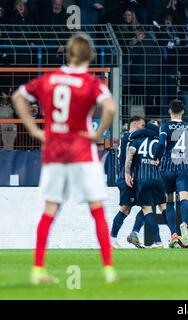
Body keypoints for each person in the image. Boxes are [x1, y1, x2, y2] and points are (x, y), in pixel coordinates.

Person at [12, 33, 118, 284]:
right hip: (82, 151)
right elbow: (111, 108)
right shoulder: (92, 83)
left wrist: (35, 130)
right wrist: (97, 133)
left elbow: (18, 96)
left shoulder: (49, 79)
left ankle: (38, 269)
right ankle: (108, 269)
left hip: (55, 151)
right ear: (90, 56)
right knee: (97, 209)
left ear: (68, 54)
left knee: (50, 209)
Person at [156, 99, 188, 247]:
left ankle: (173, 235)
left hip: (167, 166)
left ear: (169, 111)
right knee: (184, 199)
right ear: (183, 111)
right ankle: (184, 225)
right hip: (183, 166)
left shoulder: (165, 126)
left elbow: (161, 144)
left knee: (169, 201)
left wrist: (156, 158)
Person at [125, 123, 166, 249]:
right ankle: (177, 237)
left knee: (146, 209)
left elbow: (130, 155)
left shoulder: (137, 140)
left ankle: (158, 241)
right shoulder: (161, 141)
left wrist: (127, 172)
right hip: (158, 178)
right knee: (164, 208)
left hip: (142, 178)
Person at [110, 116, 147, 249]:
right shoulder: (129, 137)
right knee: (125, 209)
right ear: (135, 125)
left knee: (147, 205)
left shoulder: (130, 138)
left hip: (136, 177)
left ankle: (134, 233)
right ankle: (112, 239)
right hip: (127, 177)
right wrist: (127, 173)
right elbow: (127, 159)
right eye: (142, 125)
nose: (144, 128)